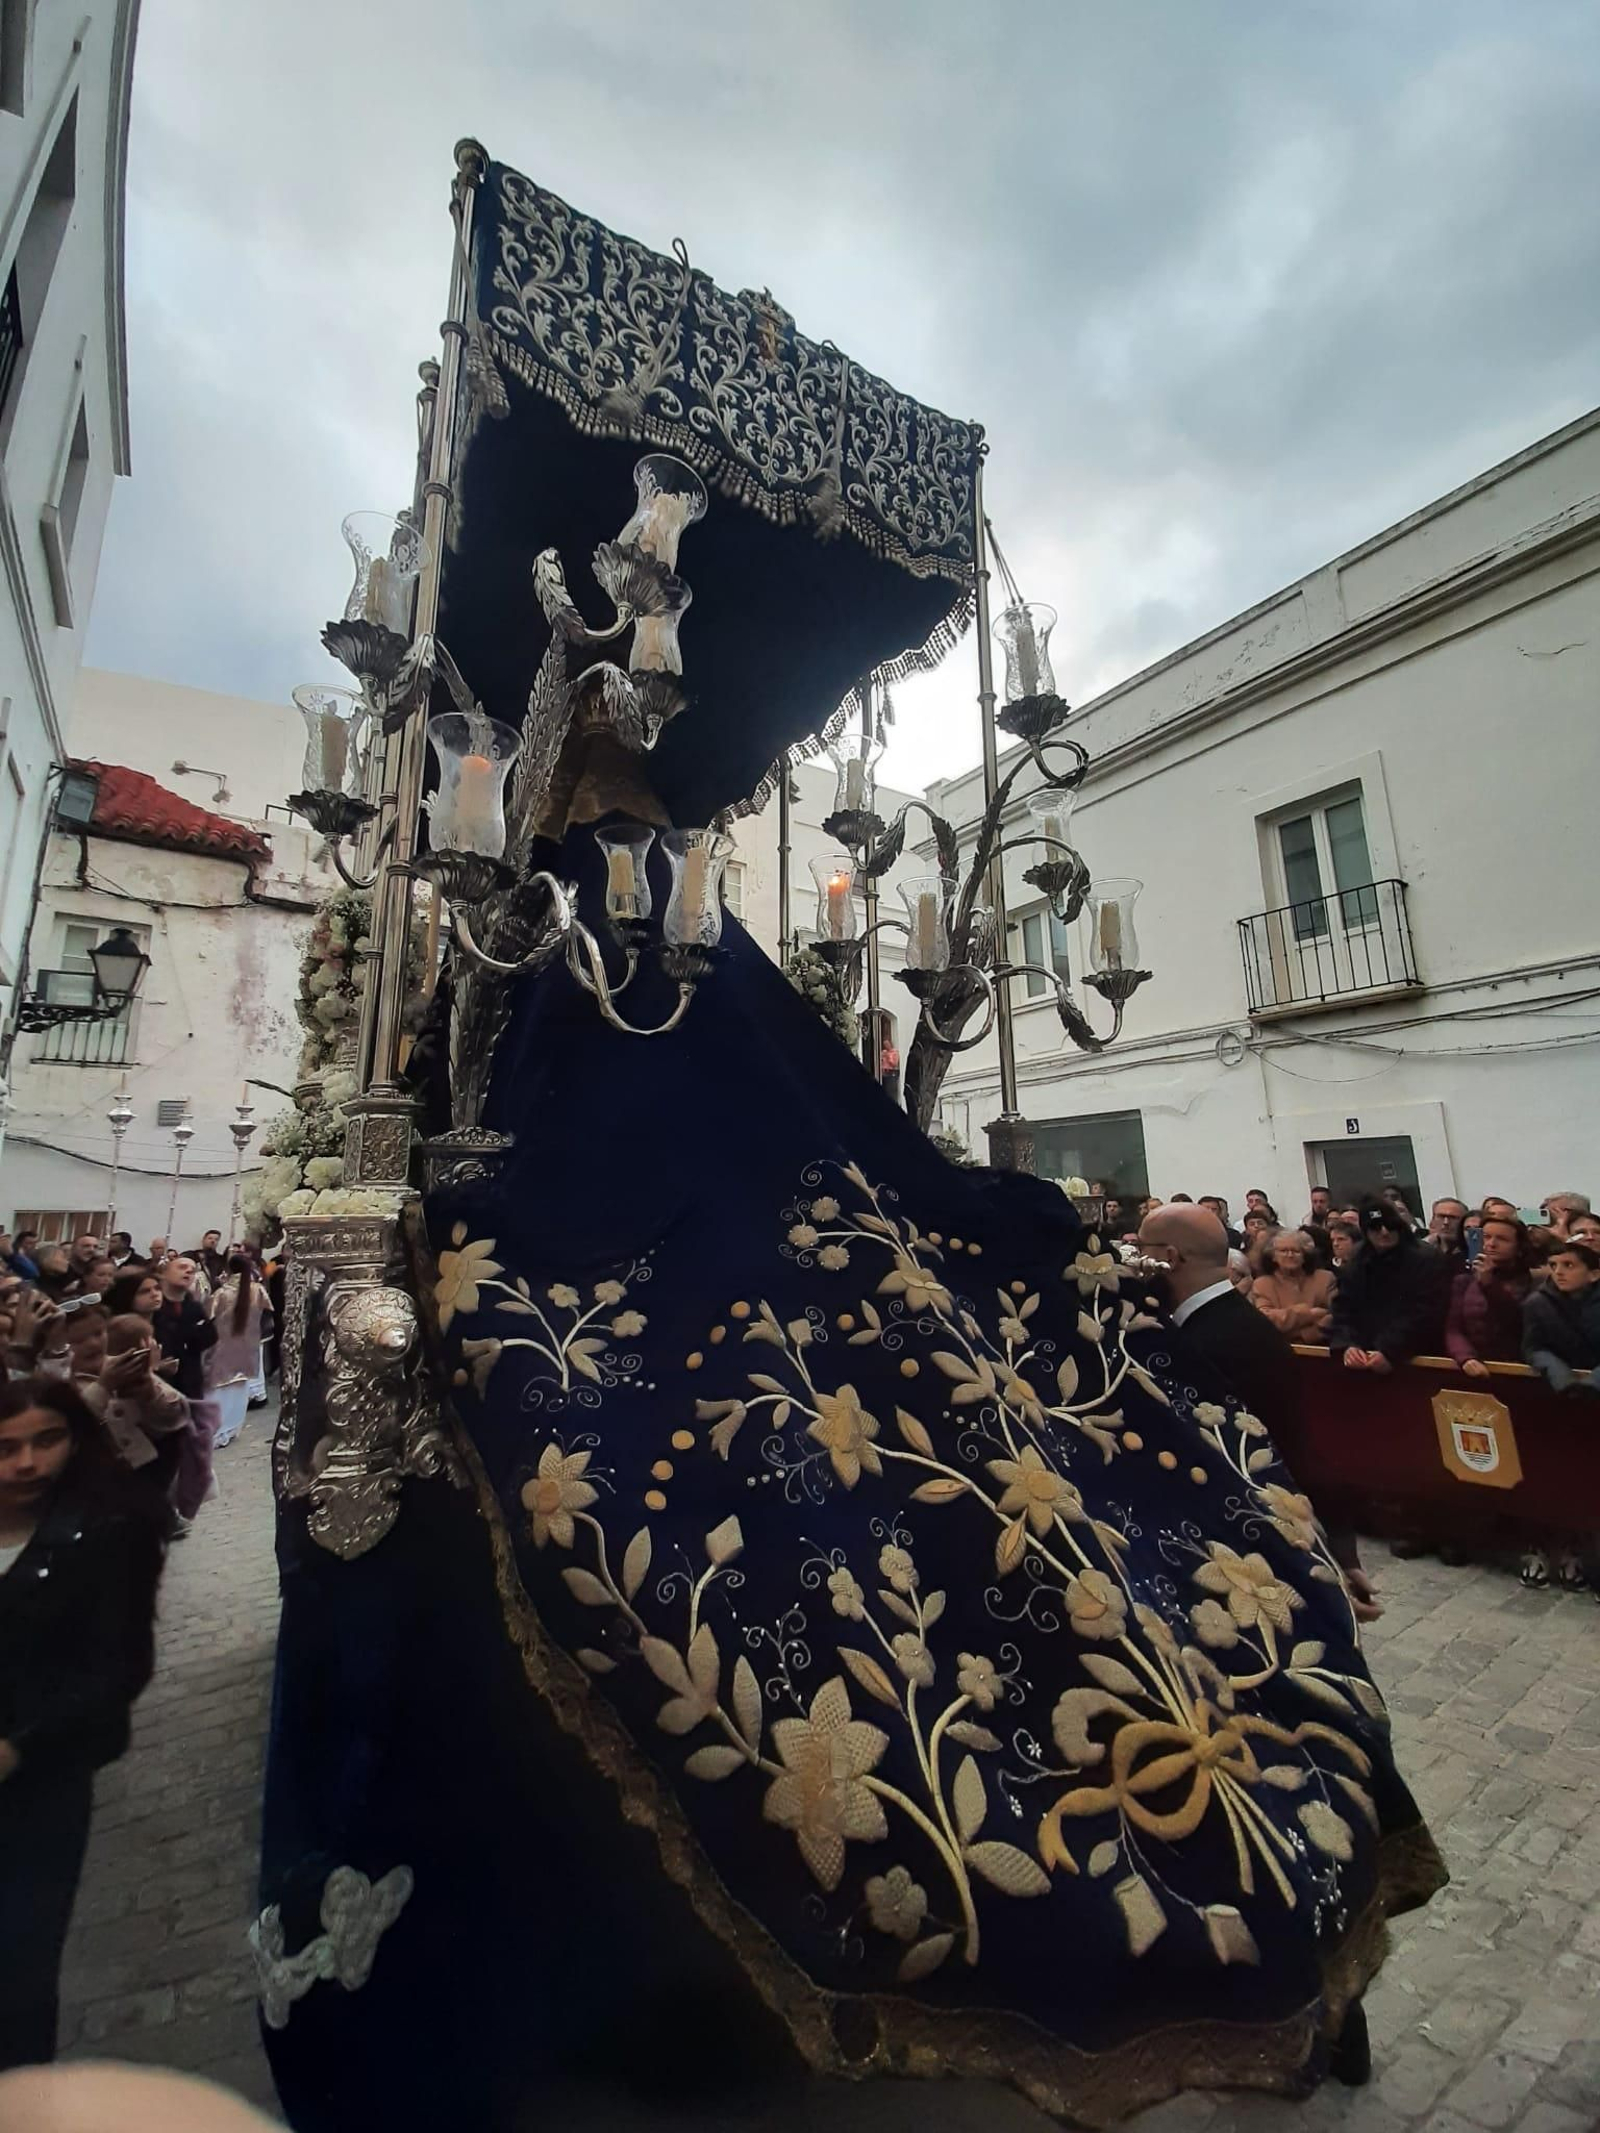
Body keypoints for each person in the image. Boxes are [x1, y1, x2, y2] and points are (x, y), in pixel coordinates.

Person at [0, 1375, 164, 2068]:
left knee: (18, 1973)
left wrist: (19, 1742)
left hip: (42, 1777)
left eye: (46, 1440)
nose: (27, 1463)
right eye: (6, 1447)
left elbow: (117, 1666)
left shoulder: (106, 1526)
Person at [1139, 1205, 1375, 1608]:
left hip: (1239, 1549)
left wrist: (1335, 1550)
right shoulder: (1230, 1322)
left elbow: (1282, 1440)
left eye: (1141, 1251)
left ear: (1170, 1258)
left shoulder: (1213, 1341)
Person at [1328, 1200, 1447, 1374]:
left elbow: (1426, 1311)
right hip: (1364, 1356)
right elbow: (1343, 1307)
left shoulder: (1426, 1258)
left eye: (1390, 1226)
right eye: (1376, 1227)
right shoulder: (1357, 1259)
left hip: (1414, 1357)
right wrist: (1347, 1345)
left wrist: (1389, 1350)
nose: (1384, 1232)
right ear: (1366, 1232)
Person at [82, 1315, 190, 1501]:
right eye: (80, 1340)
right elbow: (78, 1418)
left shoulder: (143, 1379)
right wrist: (104, 1386)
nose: (93, 1344)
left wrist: (149, 1382)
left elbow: (175, 1416)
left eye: (98, 1334)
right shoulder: (75, 1384)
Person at [1444, 1215, 1531, 1377]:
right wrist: (1466, 1358)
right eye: (1486, 1237)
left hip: (1517, 1368)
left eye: (1502, 1239)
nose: (1491, 1244)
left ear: (1519, 1247)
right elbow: (1453, 1329)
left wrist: (1489, 1284)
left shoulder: (1533, 1280)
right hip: (1473, 1366)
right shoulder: (1463, 1281)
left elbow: (1516, 1323)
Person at [205, 1254, 272, 1449]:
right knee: (240, 1384)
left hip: (223, 1343)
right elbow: (268, 1311)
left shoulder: (222, 1293)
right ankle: (232, 1427)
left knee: (220, 1386)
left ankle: (217, 1430)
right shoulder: (257, 1289)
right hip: (248, 1342)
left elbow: (208, 1315)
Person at [1522, 1237, 1600, 1395]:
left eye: (1568, 1265)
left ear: (1594, 1275)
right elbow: (1534, 1348)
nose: (1558, 1272)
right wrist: (1561, 1377)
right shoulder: (1538, 1303)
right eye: (1553, 1265)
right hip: (1559, 1387)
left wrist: (1593, 1383)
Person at [1252, 1228, 1336, 1340]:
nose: (1290, 1255)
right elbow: (1265, 1321)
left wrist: (1304, 1334)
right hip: (1279, 1351)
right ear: (1273, 1256)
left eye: (1296, 1251)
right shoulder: (1262, 1284)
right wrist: (1309, 1313)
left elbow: (1335, 1316)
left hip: (1321, 1349)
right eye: (1283, 1251)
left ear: (1305, 1255)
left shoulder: (1326, 1278)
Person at [1425, 1198, 1469, 1268]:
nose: (1446, 1222)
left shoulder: (1473, 1253)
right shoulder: (1421, 1253)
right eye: (1441, 1217)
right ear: (1432, 1221)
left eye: (1453, 1218)